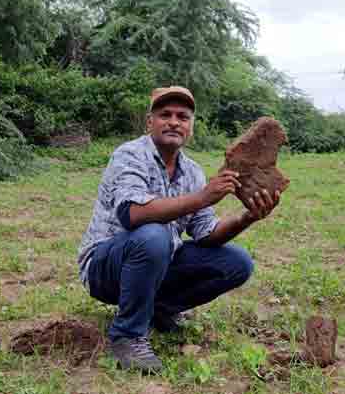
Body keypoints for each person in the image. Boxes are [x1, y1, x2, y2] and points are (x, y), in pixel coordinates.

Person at [77, 86, 280, 372]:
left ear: (191, 128)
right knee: (154, 233)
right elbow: (133, 214)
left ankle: (159, 309)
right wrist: (202, 197)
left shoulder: (193, 171)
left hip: (156, 260)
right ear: (150, 123)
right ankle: (128, 335)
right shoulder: (130, 155)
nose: (174, 121)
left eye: (183, 117)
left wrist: (248, 217)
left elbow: (207, 233)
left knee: (236, 262)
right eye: (165, 115)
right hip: (105, 267)